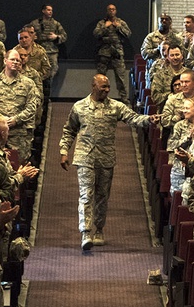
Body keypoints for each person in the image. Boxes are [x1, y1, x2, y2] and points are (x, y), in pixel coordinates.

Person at [60, 74, 158, 250]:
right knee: (86, 195)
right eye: (103, 87)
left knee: (102, 196)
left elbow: (133, 118)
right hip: (85, 157)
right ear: (93, 86)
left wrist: (149, 120)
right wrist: (63, 151)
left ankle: (99, 229)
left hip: (106, 158)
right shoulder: (79, 107)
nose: (106, 90)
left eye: (108, 87)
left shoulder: (115, 107)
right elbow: (69, 130)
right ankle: (85, 232)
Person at [93, 4, 132, 102]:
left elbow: (128, 34)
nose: (111, 11)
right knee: (100, 78)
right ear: (107, 11)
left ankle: (124, 99)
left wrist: (118, 27)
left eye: (113, 9)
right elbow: (95, 34)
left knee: (121, 78)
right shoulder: (102, 23)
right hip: (104, 53)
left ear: (116, 11)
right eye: (109, 9)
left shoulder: (121, 22)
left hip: (117, 52)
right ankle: (97, 97)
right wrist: (105, 27)